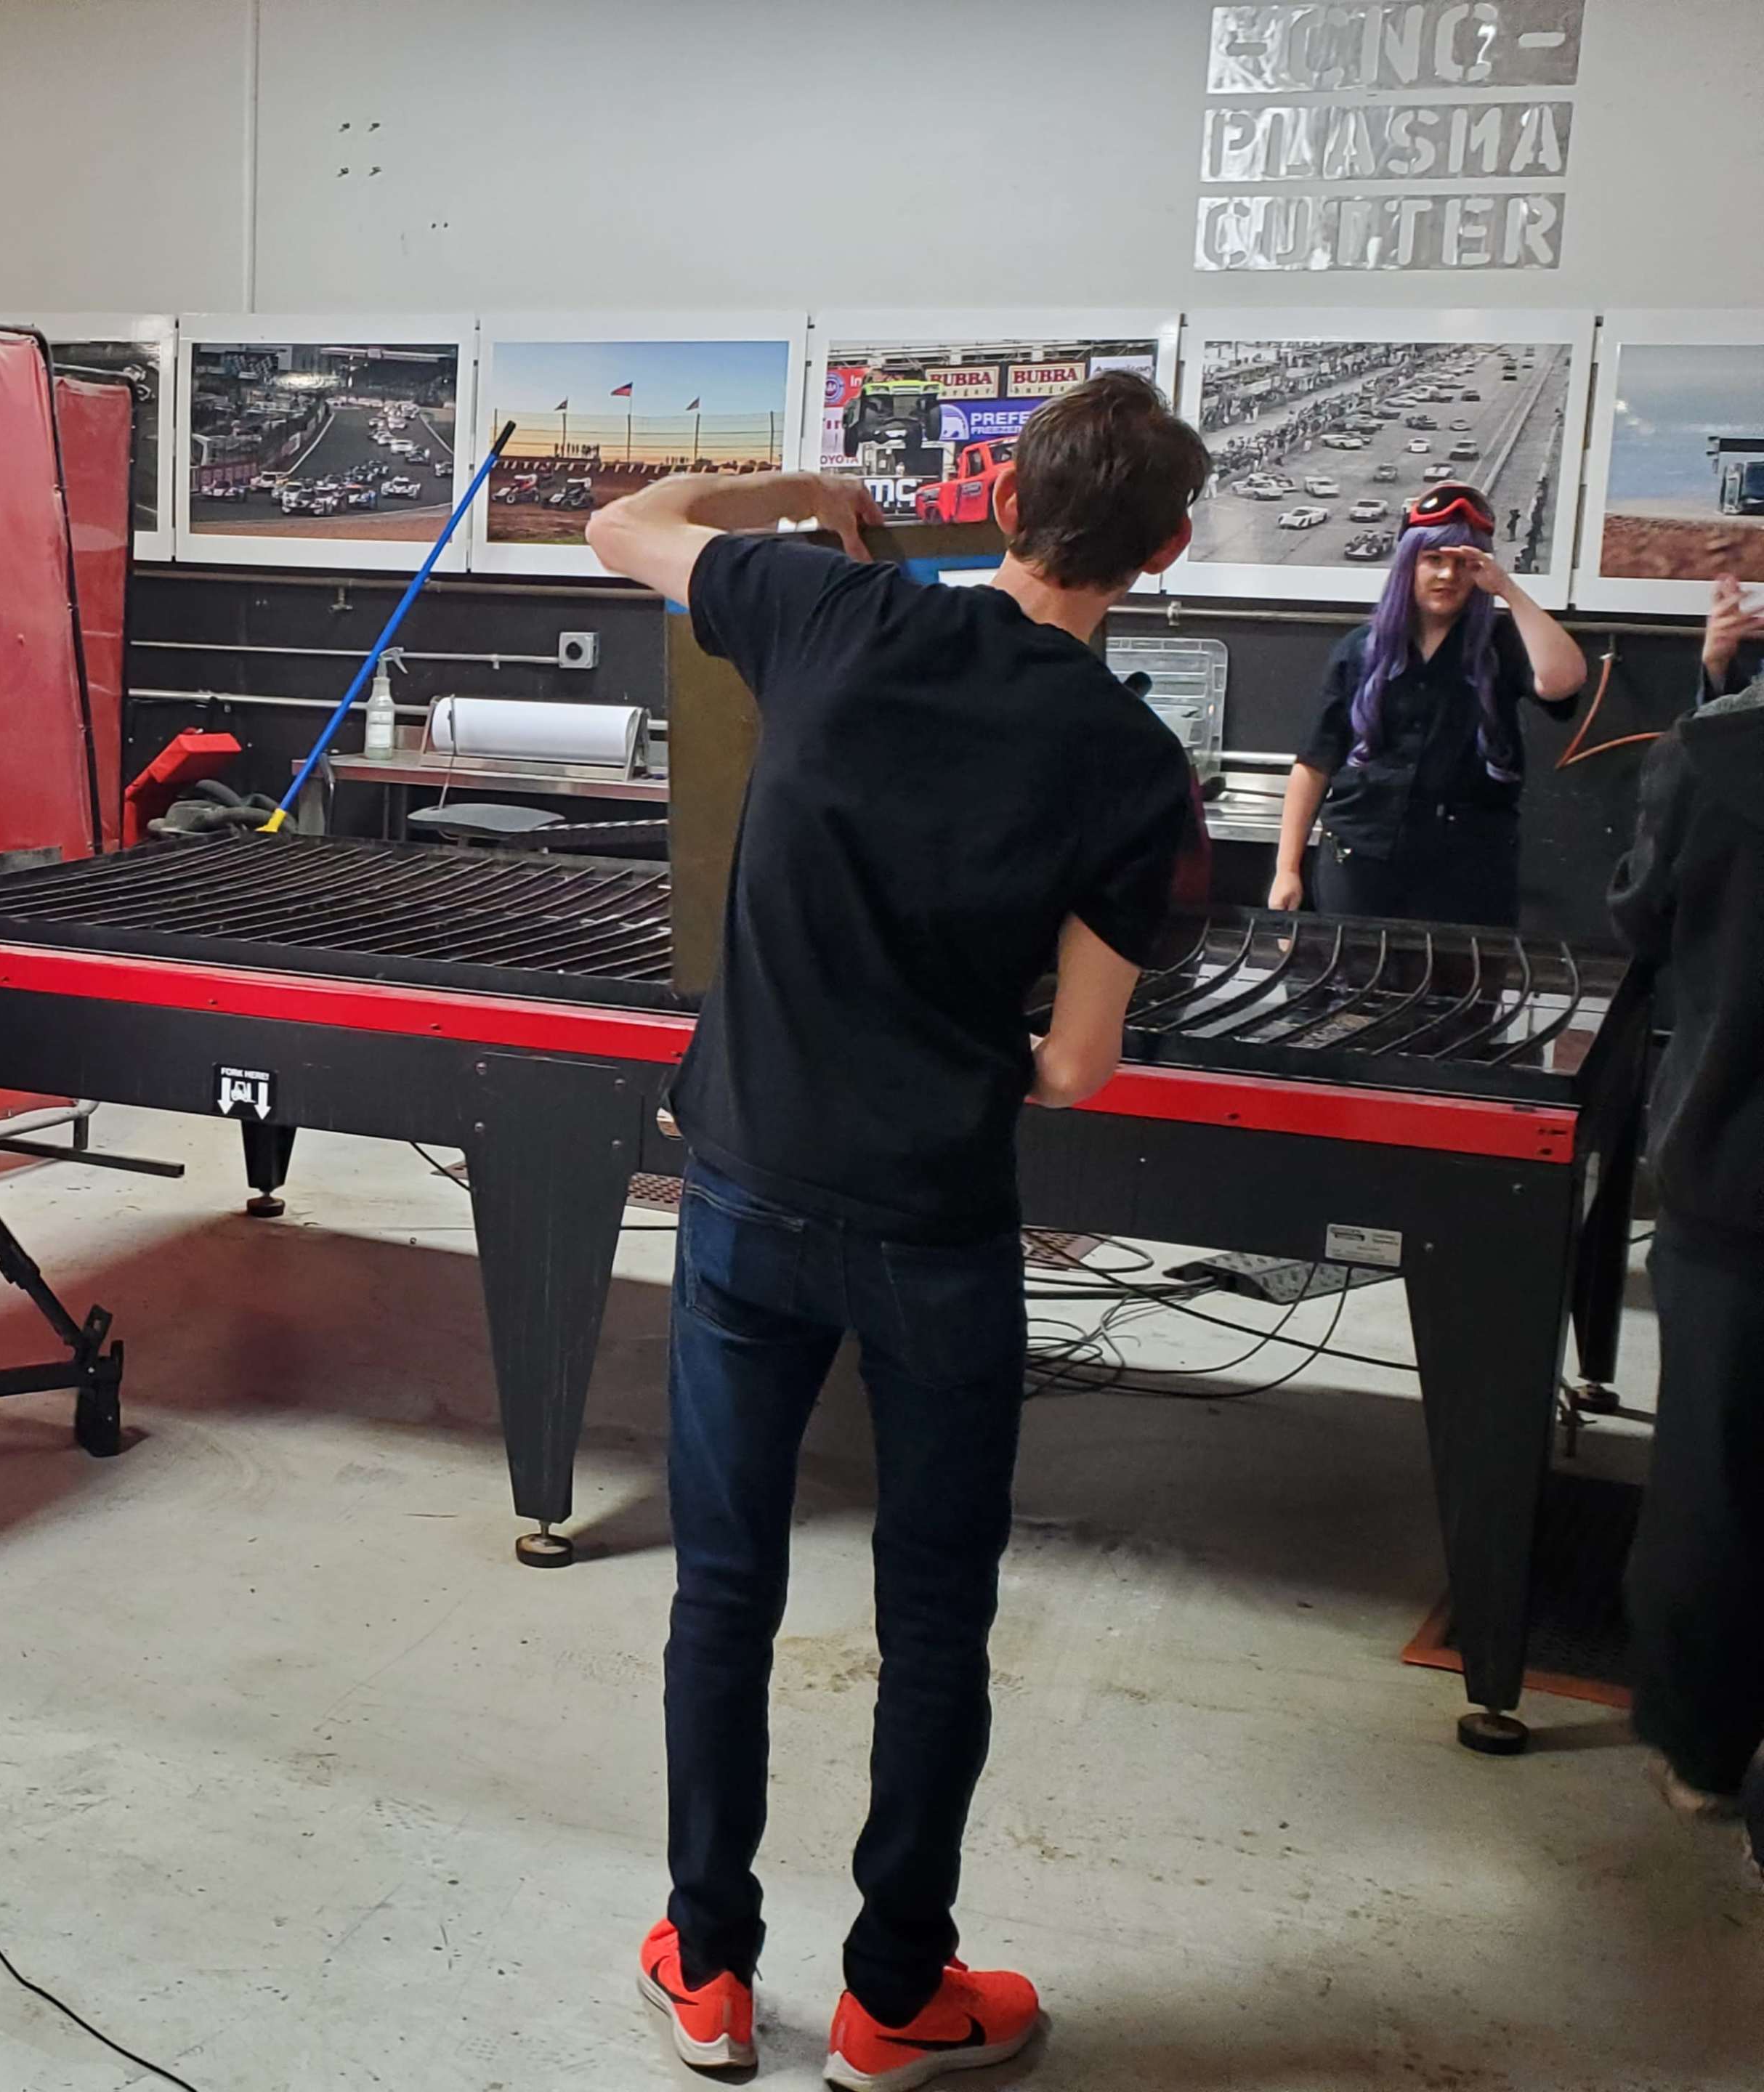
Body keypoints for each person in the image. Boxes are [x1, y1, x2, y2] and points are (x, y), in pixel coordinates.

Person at [585, 370, 1204, 2088]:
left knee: (723, 1584)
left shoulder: (828, 608)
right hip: (934, 1224)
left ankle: (705, 1970)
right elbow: (1073, 1064)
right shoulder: (1131, 764)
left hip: (743, 1197)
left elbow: (616, 525)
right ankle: (892, 1998)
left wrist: (806, 493)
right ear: (1155, 553)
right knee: (933, 1616)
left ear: (996, 507)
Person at [1609, 569, 1764, 1891]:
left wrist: (1716, 698)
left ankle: (1704, 1751)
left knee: (1714, 1470)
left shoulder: (1714, 755)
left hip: (1733, 1170)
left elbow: (1639, 917)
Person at [1271, 482, 1587, 926]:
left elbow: (1564, 681)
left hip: (1469, 872)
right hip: (1359, 864)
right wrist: (1287, 869)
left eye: (1463, 564)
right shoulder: (1359, 651)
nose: (1447, 576)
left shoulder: (1502, 647)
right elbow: (1315, 763)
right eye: (1433, 560)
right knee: (1354, 992)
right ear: (1408, 565)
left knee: (1460, 993)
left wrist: (1507, 590)